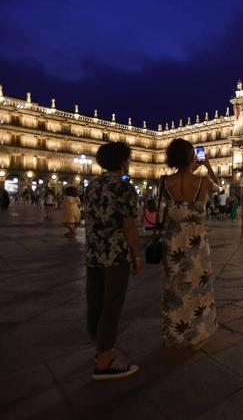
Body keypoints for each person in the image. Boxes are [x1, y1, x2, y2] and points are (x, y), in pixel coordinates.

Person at [84, 142, 141, 380]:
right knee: (112, 305)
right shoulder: (124, 187)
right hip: (115, 254)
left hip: (92, 252)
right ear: (122, 161)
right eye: (127, 158)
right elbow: (128, 225)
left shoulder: (92, 186)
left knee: (95, 301)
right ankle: (105, 361)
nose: (128, 162)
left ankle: (99, 348)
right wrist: (137, 254)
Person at [162, 138, 220, 350]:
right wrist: (206, 165)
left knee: (174, 286)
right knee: (198, 287)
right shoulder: (202, 183)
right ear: (191, 157)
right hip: (196, 241)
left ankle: (172, 335)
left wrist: (190, 168)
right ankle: (197, 335)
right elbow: (218, 187)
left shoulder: (164, 182)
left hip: (173, 239)